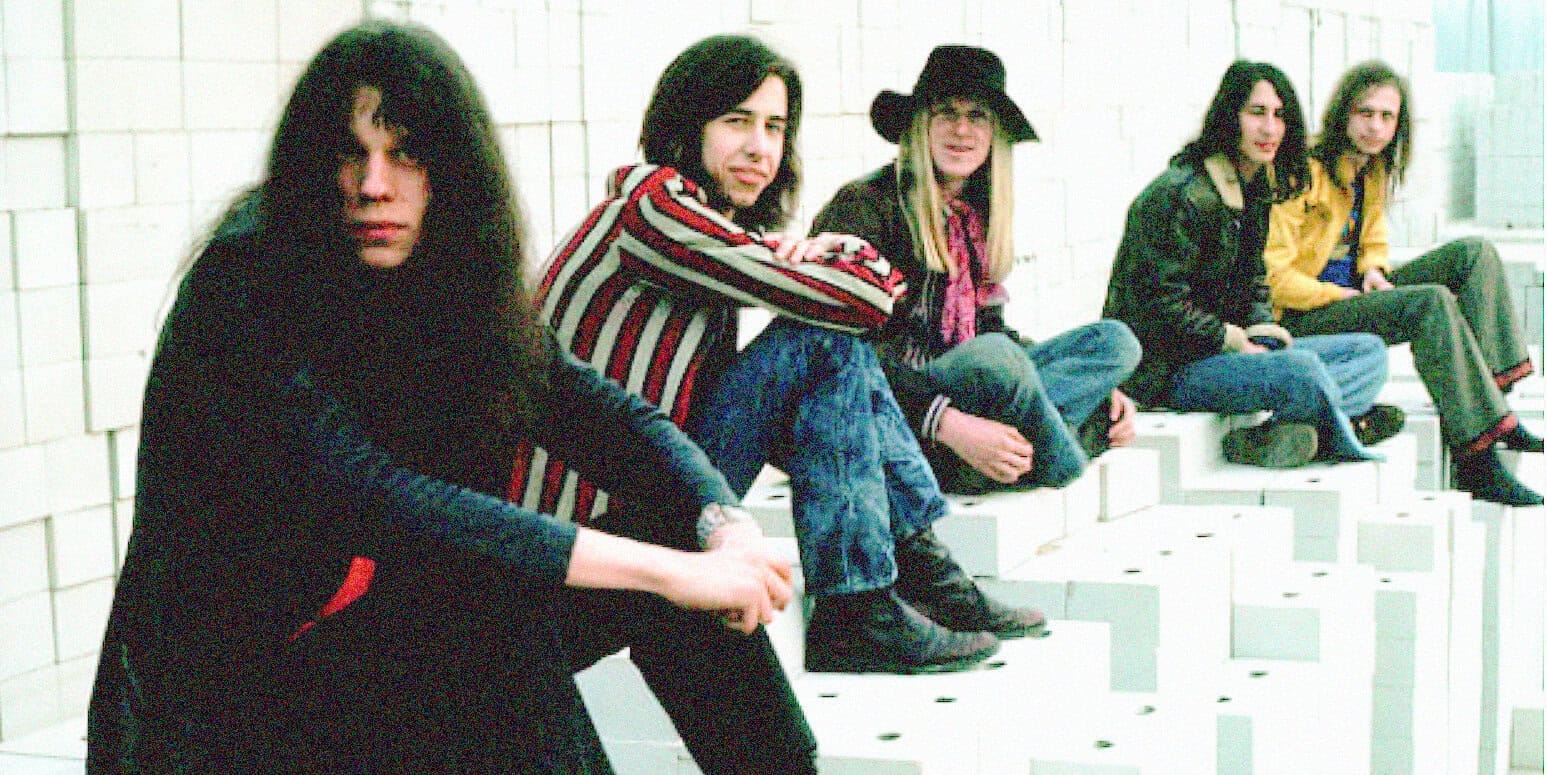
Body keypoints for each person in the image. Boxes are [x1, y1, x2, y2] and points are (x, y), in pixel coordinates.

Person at [87, 22, 820, 773]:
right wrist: (669, 573)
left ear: (451, 168)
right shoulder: (245, 284)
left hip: (382, 659)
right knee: (488, 600)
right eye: (350, 151)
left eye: (406, 153)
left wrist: (719, 524)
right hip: (232, 709)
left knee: (654, 536)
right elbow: (372, 498)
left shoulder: (441, 274)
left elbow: (594, 411)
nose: (375, 183)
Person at [512, 34, 1043, 675]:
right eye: (737, 122)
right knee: (822, 344)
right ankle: (867, 603)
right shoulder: (653, 207)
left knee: (832, 361)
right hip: (582, 542)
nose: (760, 148)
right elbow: (866, 302)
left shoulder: (706, 224)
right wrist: (825, 255)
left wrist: (802, 259)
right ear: (687, 124)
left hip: (653, 494)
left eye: (774, 127)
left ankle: (912, 576)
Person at [811, 45, 1142, 495]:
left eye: (978, 116)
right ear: (920, 124)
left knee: (1114, 343)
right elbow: (841, 355)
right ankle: (1057, 459)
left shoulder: (972, 215)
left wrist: (1101, 388)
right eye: (946, 112)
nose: (962, 130)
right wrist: (945, 421)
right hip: (900, 402)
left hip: (977, 387)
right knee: (995, 359)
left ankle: (1014, 448)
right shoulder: (865, 207)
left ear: (994, 134)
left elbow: (987, 327)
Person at [1264, 60, 1541, 505]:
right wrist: (1343, 293)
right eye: (1365, 113)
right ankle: (1476, 455)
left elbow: (1373, 236)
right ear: (1344, 115)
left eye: (1387, 117)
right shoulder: (1303, 172)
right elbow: (1275, 279)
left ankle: (1493, 406)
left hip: (1352, 295)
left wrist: (1374, 269)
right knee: (1429, 304)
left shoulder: (1369, 168)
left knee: (1474, 254)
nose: (1375, 127)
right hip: (1303, 315)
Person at [1103, 60, 1395, 468]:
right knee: (1302, 371)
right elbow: (1157, 307)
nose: (1270, 128)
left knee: (1369, 353)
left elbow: (1257, 279)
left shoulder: (1255, 186)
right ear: (1229, 117)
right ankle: (1337, 427)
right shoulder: (1181, 195)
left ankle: (1285, 434)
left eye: (1280, 116)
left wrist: (1263, 332)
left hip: (1230, 351)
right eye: (1256, 113)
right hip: (1171, 369)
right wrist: (1231, 339)